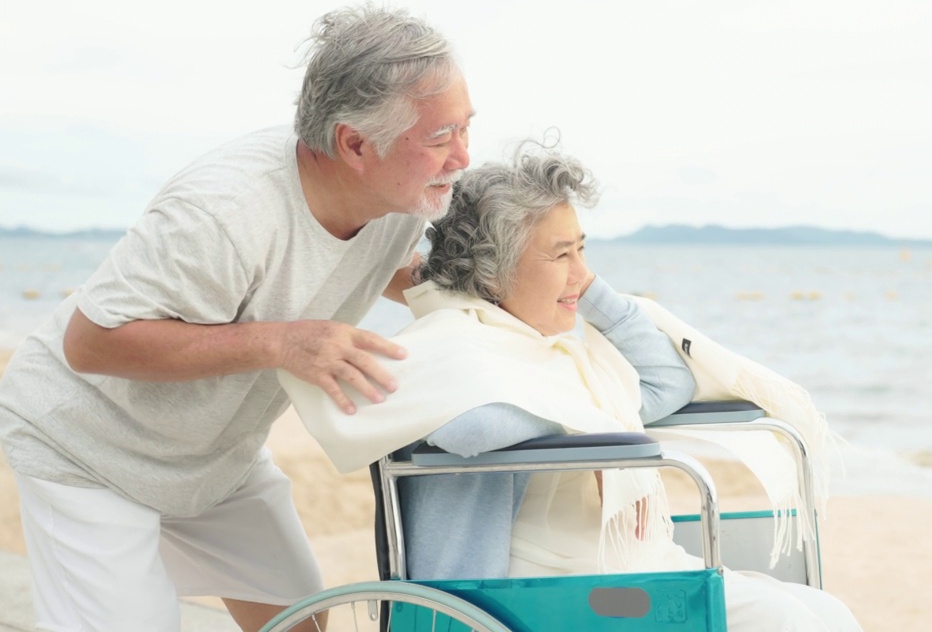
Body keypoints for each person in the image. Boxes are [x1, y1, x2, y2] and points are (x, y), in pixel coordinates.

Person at [0, 2, 474, 631]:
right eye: (441, 137)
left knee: (302, 625)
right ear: (355, 144)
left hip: (215, 459)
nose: (462, 157)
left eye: (466, 128)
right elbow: (91, 343)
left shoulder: (403, 196)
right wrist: (283, 343)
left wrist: (504, 300)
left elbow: (388, 268)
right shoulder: (223, 212)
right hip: (87, 449)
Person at [281, 149, 862, 631]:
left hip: (629, 573)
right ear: (496, 270)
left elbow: (667, 381)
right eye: (561, 254)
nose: (579, 270)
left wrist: (589, 291)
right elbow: (467, 428)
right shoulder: (458, 343)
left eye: (583, 249)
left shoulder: (552, 357)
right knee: (799, 622)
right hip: (565, 596)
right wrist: (577, 413)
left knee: (826, 612)